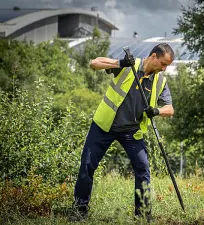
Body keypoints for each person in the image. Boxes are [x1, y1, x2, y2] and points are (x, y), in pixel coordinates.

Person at [69, 43, 175, 222]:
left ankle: (143, 215)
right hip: (105, 126)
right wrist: (120, 63)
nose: (164, 69)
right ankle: (79, 211)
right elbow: (94, 63)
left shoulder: (160, 81)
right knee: (87, 165)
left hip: (132, 132)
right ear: (154, 56)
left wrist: (156, 111)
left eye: (167, 66)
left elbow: (170, 109)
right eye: (163, 64)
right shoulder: (129, 65)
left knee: (143, 169)